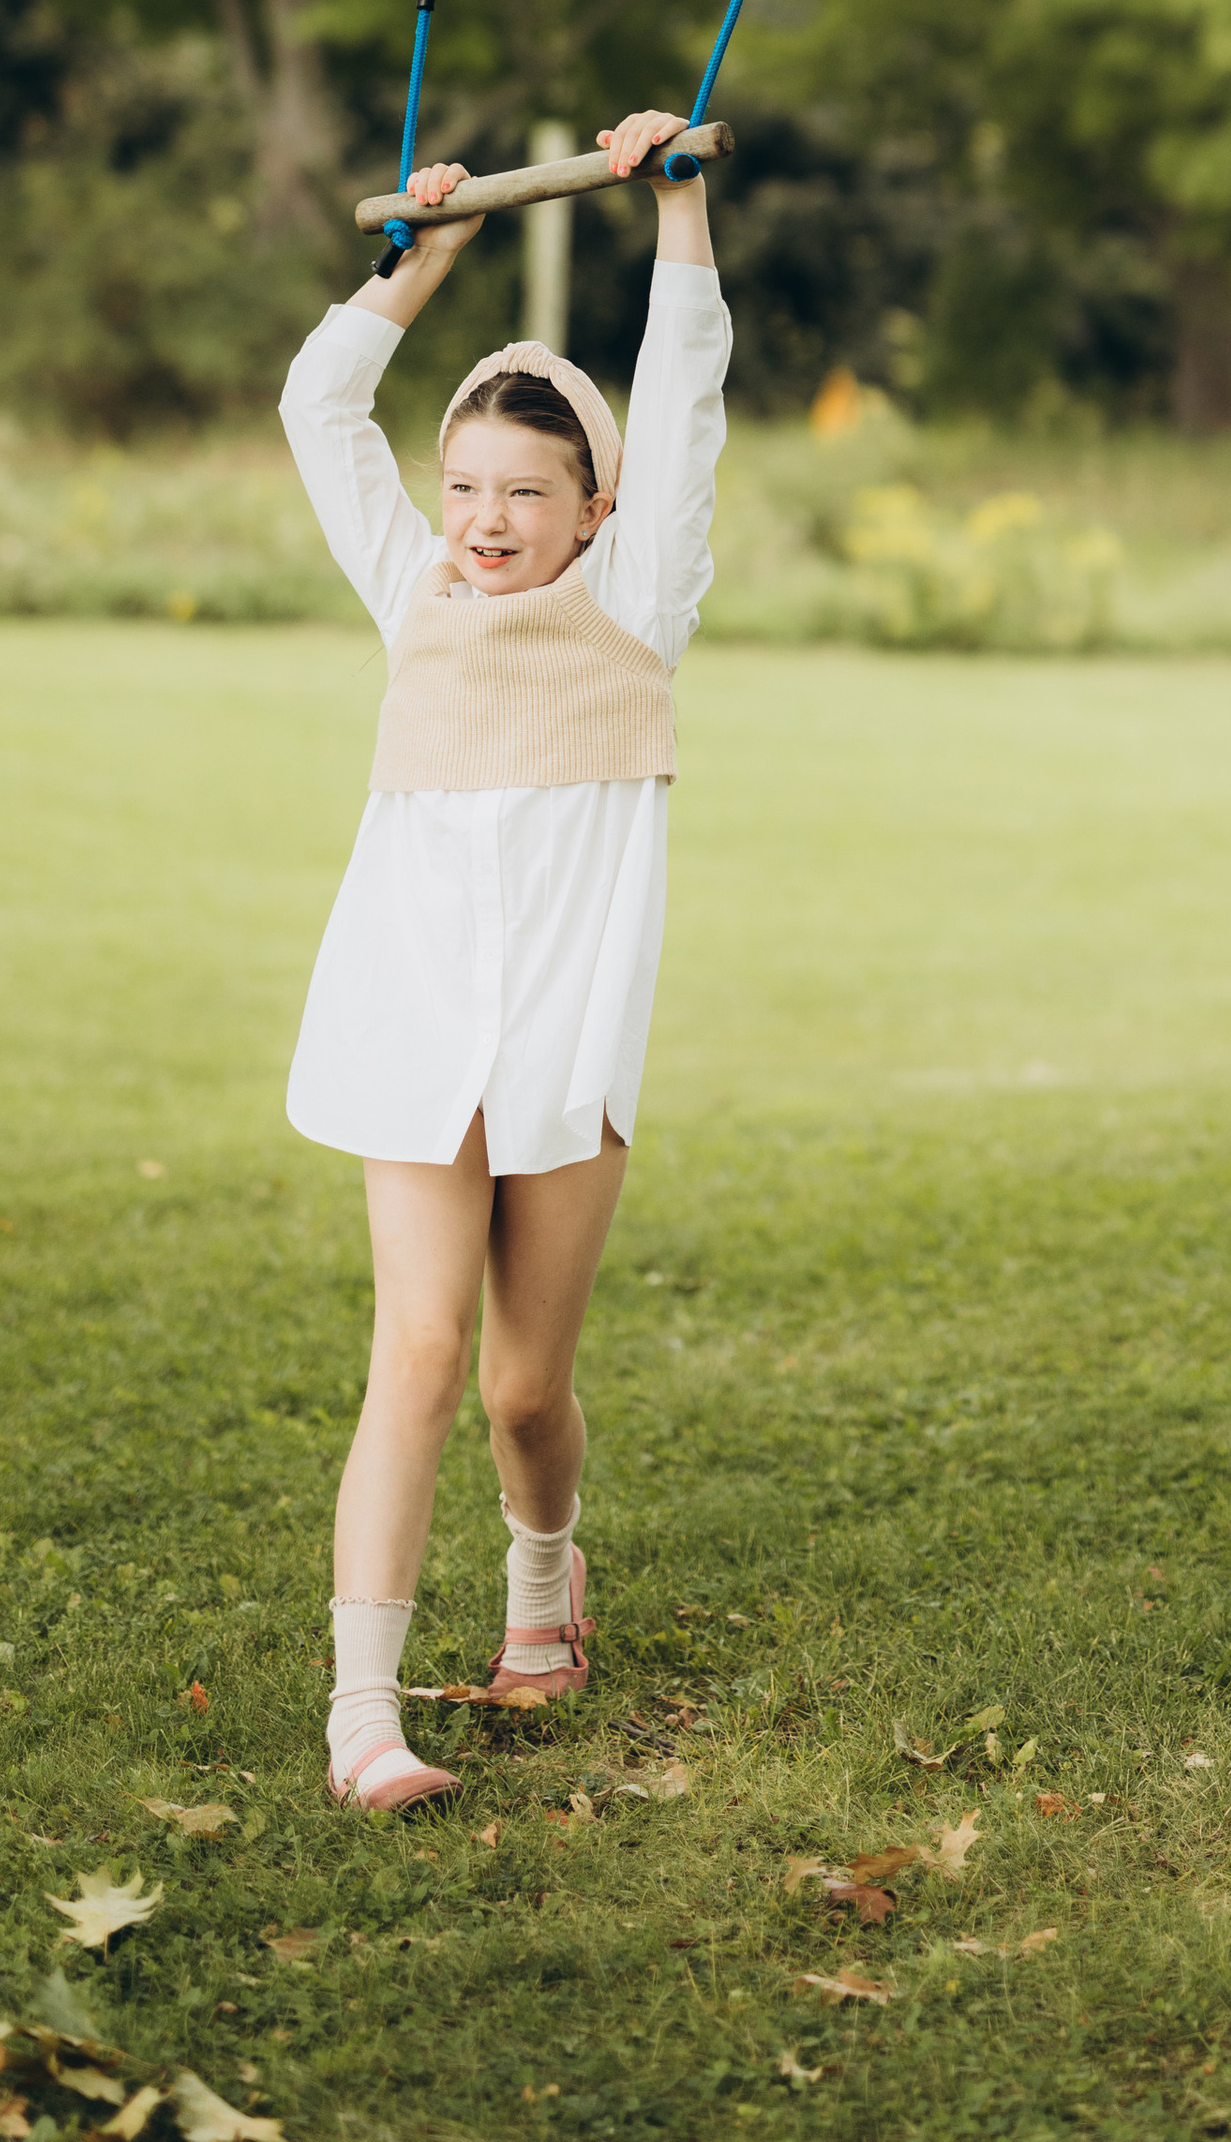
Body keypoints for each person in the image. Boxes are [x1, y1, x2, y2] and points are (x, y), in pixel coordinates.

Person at [277, 109, 728, 1813]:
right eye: (463, 486)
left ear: (591, 508)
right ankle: (363, 1714)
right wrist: (426, 261)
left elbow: (686, 407)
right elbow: (321, 410)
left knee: (525, 1388)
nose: (479, 519)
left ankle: (548, 1577)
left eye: (523, 494)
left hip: (560, 1053)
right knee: (419, 1350)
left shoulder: (639, 611)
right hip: (410, 1039)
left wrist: (677, 218)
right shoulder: (414, 601)